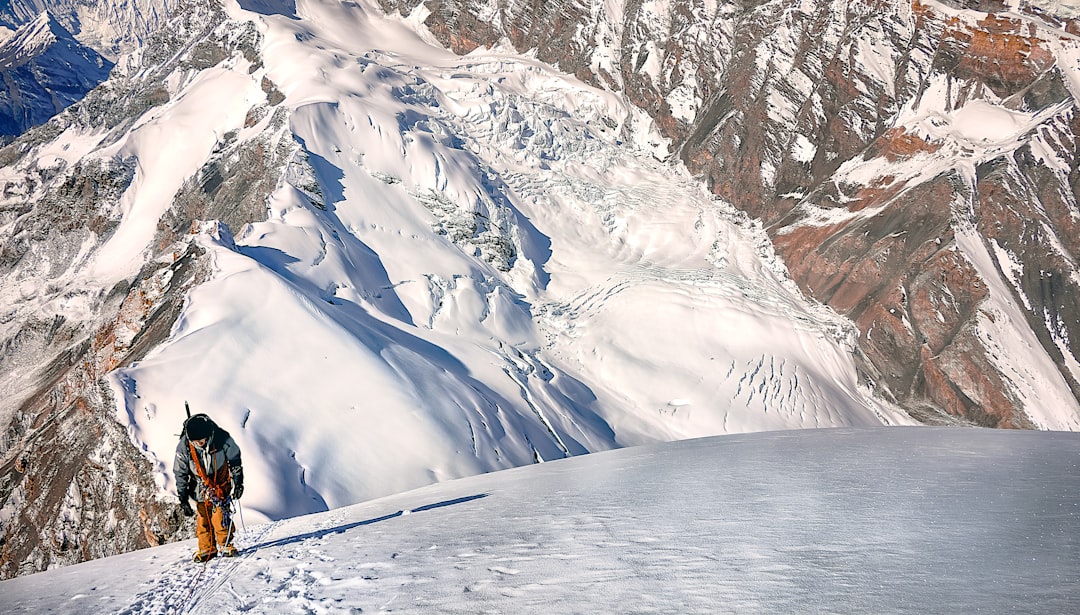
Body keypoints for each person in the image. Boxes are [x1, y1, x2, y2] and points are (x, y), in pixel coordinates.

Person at [174, 412, 244, 562]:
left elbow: (235, 461)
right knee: (203, 518)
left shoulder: (222, 439)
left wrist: (238, 482)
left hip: (220, 484)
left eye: (202, 440)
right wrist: (183, 498)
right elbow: (180, 472)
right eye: (196, 441)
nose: (199, 443)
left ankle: (225, 544)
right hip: (198, 487)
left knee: (220, 515)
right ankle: (207, 548)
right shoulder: (184, 447)